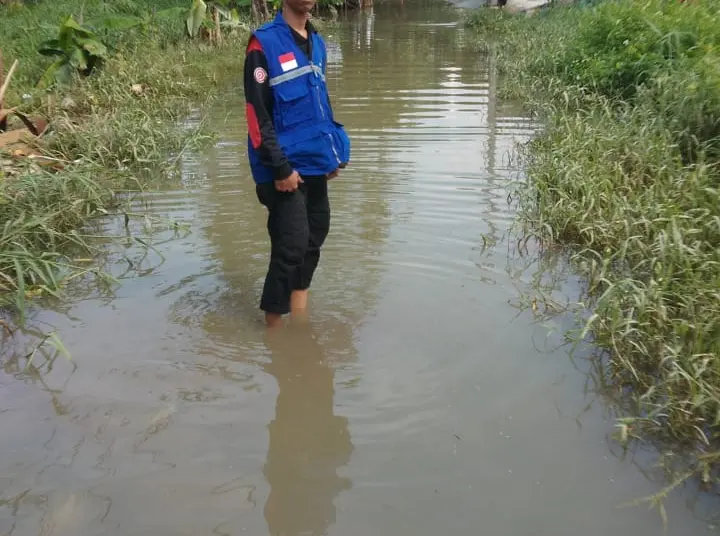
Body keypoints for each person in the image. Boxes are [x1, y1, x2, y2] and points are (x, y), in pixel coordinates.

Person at [244, 0, 351, 328]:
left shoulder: (317, 43)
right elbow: (256, 115)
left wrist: (331, 153)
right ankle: (275, 337)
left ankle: (299, 327)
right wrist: (281, 169)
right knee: (290, 247)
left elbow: (320, 103)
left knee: (313, 239)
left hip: (315, 162)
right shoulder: (263, 43)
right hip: (281, 170)